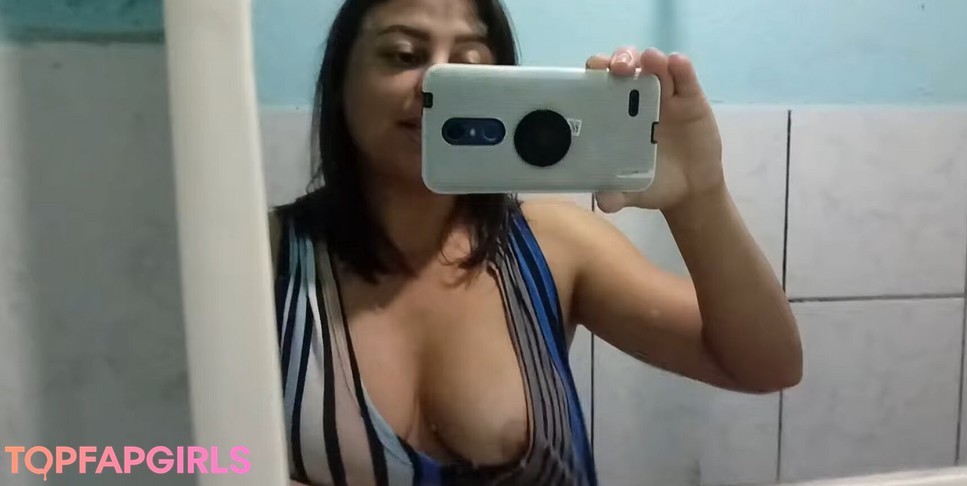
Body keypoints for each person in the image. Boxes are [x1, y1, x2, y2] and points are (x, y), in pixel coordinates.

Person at [269, 0, 803, 484]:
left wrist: (700, 193)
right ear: (341, 81)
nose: (434, 82)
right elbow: (210, 458)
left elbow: (767, 365)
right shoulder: (262, 257)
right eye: (403, 55)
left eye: (469, 64)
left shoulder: (554, 245)